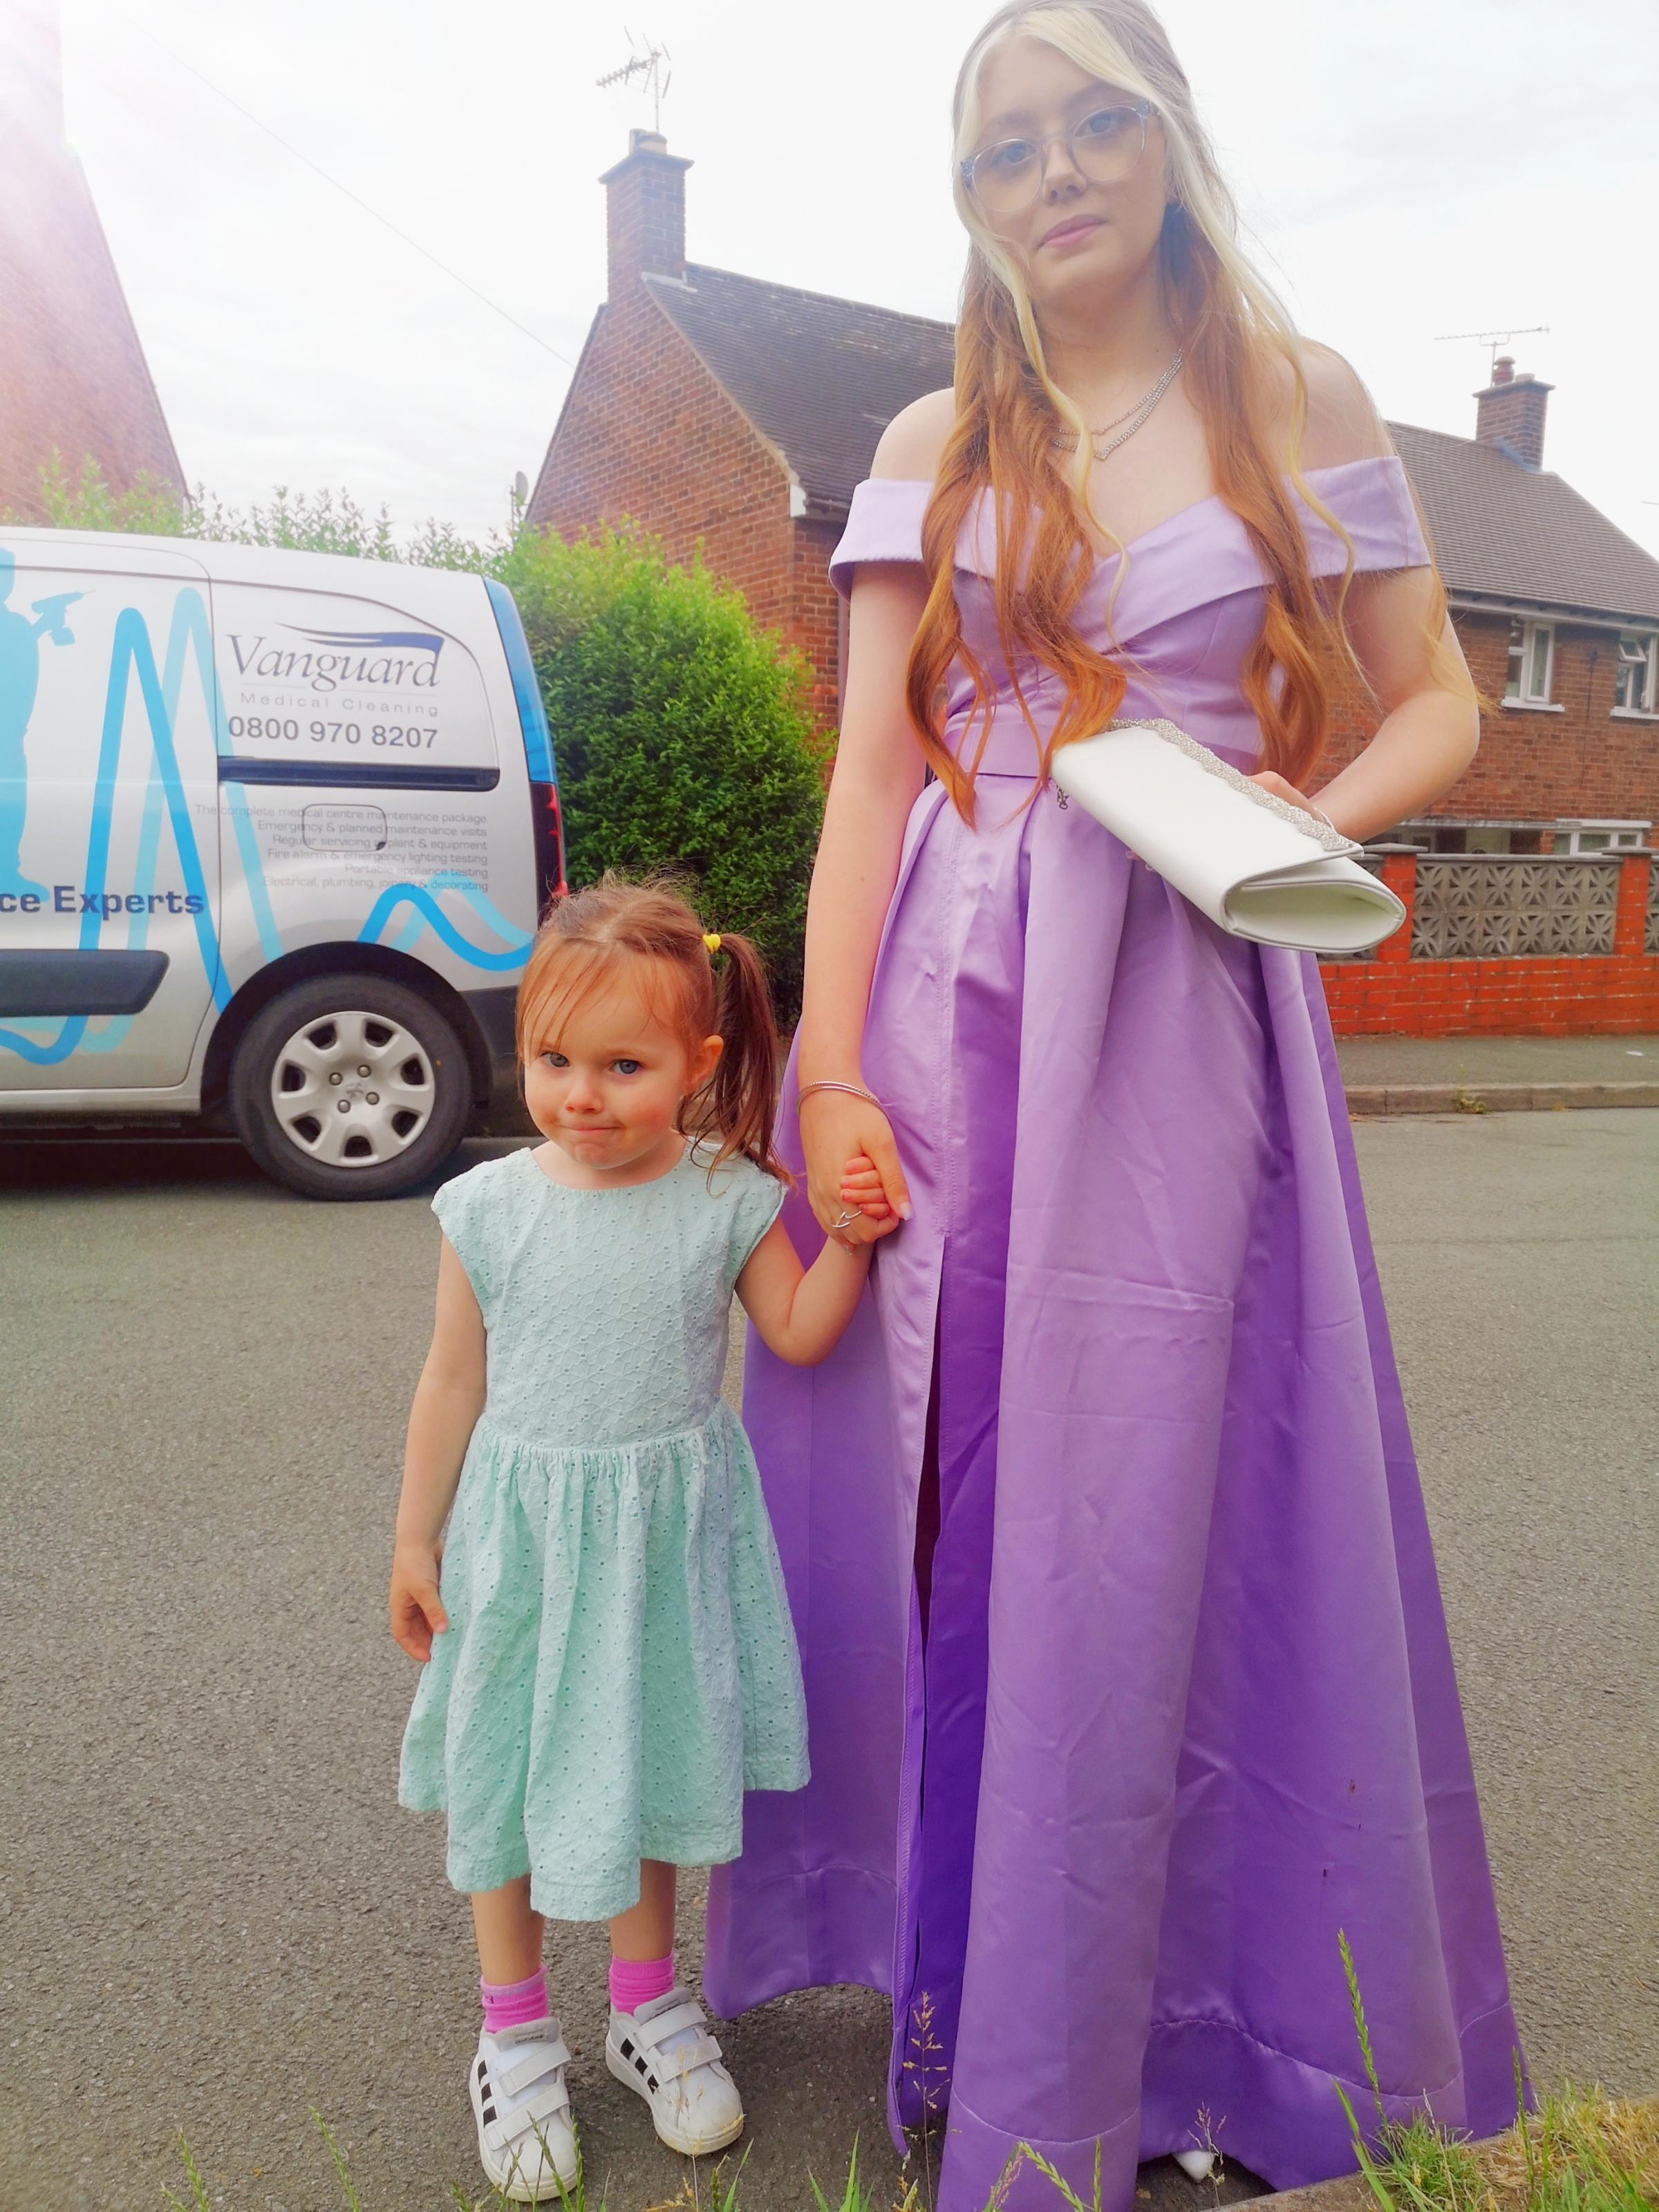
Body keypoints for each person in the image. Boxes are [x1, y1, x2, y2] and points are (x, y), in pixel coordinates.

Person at [703, 6, 1526, 2211]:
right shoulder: (932, 426)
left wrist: (1300, 823)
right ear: (965, 194)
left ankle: (1180, 2032)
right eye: (1004, 150)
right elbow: (875, 770)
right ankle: (968, 1992)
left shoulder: (1300, 395)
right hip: (952, 1020)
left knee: (1166, 1524)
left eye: (1095, 125)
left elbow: (1441, 700)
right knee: (954, 1513)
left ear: (1169, 140)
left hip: (1185, 1008)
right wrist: (837, 1064)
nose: (1054, 175)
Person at [391, 874, 892, 2202]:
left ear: (699, 1063)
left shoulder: (727, 1195)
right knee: (504, 1772)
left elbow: (795, 1331)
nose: (584, 1095)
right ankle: (513, 2034)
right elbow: (452, 1381)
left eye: (625, 1064)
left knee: (649, 1758)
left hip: (663, 1548)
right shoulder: (488, 1206)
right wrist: (412, 1542)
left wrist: (848, 1237)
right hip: (522, 1543)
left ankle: (647, 2007)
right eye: (555, 1059)